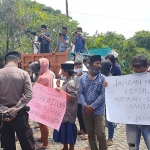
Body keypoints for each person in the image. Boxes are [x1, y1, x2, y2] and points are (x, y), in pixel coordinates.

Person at [0, 51, 35, 150]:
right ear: (19, 62)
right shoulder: (24, 74)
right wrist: (14, 110)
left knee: (7, 145)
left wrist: (4, 110)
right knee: (27, 144)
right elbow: (28, 95)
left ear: (5, 62)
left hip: (2, 115)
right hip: (20, 113)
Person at [78, 55, 107, 150]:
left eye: (100, 63)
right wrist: (85, 106)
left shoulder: (103, 79)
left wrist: (92, 106)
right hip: (86, 111)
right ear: (91, 65)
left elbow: (103, 95)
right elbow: (80, 93)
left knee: (101, 134)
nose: (99, 65)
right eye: (97, 63)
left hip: (98, 111)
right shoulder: (82, 78)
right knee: (90, 134)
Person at [126, 54, 150, 150]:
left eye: (141, 72)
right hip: (131, 123)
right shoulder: (125, 82)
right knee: (132, 146)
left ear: (147, 67)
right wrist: (109, 86)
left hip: (148, 122)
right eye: (136, 71)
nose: (138, 74)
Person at [29, 58, 53, 149]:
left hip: (42, 102)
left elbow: (35, 89)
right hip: (46, 101)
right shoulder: (48, 74)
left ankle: (46, 144)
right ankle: (43, 138)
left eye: (39, 65)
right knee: (42, 122)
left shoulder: (43, 77)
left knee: (43, 123)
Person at [53, 63, 77, 150]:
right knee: (64, 130)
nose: (61, 73)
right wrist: (59, 87)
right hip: (64, 111)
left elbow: (73, 97)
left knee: (69, 131)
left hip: (69, 112)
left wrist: (61, 91)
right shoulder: (66, 82)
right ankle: (65, 147)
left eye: (62, 71)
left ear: (66, 73)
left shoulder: (70, 83)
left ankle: (71, 148)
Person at [101, 60, 115, 146]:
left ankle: (110, 138)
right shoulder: (100, 76)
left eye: (102, 65)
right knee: (101, 121)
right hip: (101, 102)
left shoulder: (110, 78)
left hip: (109, 102)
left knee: (110, 121)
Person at [74, 60, 88, 140]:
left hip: (84, 100)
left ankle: (87, 132)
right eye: (77, 67)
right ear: (75, 68)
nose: (79, 68)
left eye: (80, 67)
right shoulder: (75, 77)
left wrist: (81, 88)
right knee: (79, 115)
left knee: (84, 116)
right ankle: (82, 129)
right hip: (77, 100)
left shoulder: (86, 76)